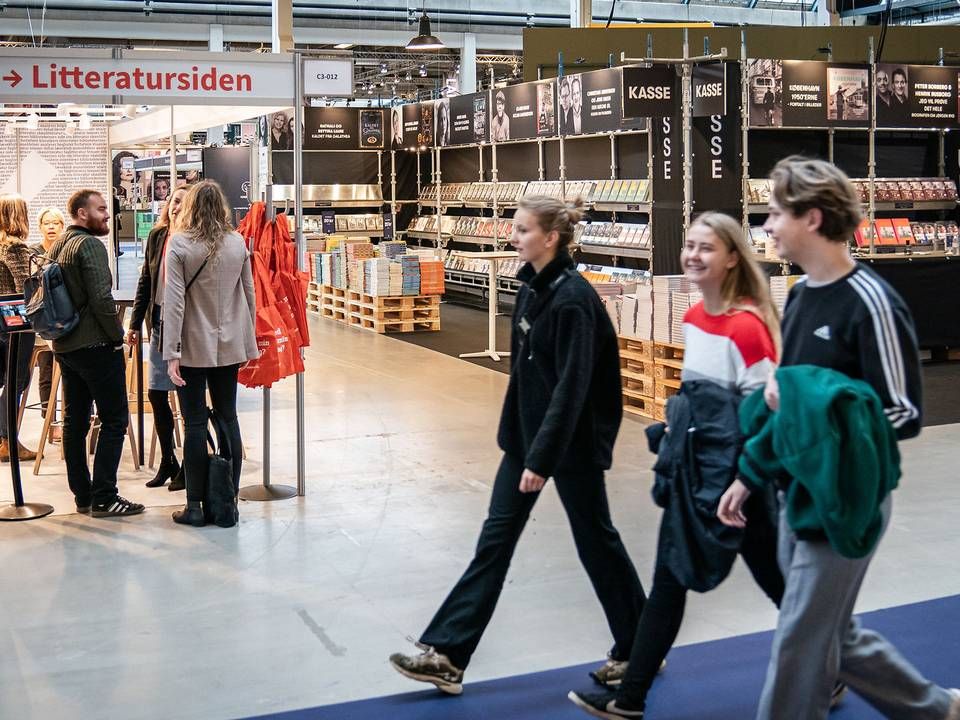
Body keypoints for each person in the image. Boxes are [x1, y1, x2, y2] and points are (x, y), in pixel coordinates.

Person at [717, 156, 959, 720]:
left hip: (847, 496)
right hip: (794, 492)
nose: (767, 225)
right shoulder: (800, 296)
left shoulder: (871, 301)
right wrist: (750, 475)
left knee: (799, 642)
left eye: (776, 213)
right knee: (830, 634)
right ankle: (935, 709)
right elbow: (785, 399)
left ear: (815, 219)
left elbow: (903, 413)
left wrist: (803, 401)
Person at [389, 196, 647, 696]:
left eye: (523, 230)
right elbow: (527, 377)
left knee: (596, 540)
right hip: (531, 442)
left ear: (551, 238)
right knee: (496, 541)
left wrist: (541, 458)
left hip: (569, 444)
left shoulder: (573, 300)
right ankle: (449, 655)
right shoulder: (533, 288)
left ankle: (640, 645)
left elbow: (572, 390)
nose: (513, 237)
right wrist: (517, 442)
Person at [568, 212, 795, 719]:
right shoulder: (693, 319)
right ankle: (630, 698)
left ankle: (839, 668)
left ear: (733, 256)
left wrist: (745, 480)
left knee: (776, 582)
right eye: (689, 245)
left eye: (706, 248)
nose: (692, 255)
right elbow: (698, 399)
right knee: (675, 579)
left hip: (738, 483)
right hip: (696, 477)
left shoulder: (749, 329)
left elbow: (766, 416)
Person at [162, 180, 257, 527]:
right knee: (228, 417)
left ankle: (195, 506)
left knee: (195, 423)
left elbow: (173, 302)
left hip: (190, 346)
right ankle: (228, 501)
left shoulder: (180, 245)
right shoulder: (237, 243)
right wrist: (249, 343)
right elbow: (249, 294)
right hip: (230, 344)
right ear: (222, 207)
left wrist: (170, 351)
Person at [51, 189, 144, 518]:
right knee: (115, 419)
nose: (107, 214)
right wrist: (118, 337)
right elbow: (103, 301)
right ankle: (105, 495)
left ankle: (84, 496)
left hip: (66, 346)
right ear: (81, 213)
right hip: (95, 346)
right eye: (101, 209)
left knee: (74, 421)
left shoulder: (60, 243)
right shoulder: (89, 245)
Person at [127, 186, 189, 491]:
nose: (177, 206)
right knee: (156, 393)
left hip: (187, 330)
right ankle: (168, 460)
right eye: (175, 200)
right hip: (159, 323)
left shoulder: (194, 239)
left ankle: (191, 465)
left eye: (184, 202)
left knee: (187, 398)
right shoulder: (158, 236)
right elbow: (145, 281)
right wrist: (135, 323)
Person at [0, 194, 38, 462]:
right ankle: (6, 439)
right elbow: (25, 287)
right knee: (17, 380)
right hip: (14, 323)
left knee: (6, 381)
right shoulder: (14, 248)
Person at [33, 207, 66, 442]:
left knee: (73, 373)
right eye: (47, 223)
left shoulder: (66, 249)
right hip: (44, 320)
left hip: (65, 319)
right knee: (46, 372)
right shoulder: (34, 252)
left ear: (63, 226)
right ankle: (49, 422)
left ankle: (73, 421)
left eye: (56, 222)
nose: (51, 227)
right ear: (40, 226)